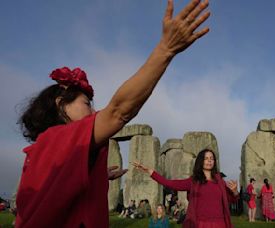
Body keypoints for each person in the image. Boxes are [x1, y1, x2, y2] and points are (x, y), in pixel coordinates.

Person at [15, 0, 211, 227]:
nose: (94, 111)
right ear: (61, 104)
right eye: (86, 103)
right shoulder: (57, 139)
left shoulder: (45, 150)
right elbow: (119, 111)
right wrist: (165, 49)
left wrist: (94, 175)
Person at [134, 149, 239, 228]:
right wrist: (151, 172)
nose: (209, 161)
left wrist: (234, 191)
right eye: (206, 158)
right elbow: (170, 183)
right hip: (200, 224)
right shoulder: (194, 181)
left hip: (220, 224)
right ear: (200, 161)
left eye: (211, 158)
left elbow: (231, 200)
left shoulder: (220, 181)